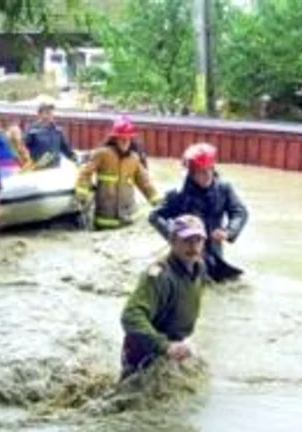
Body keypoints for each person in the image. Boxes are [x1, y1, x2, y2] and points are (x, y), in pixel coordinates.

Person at [120, 214, 211, 379]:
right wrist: (164, 347)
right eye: (187, 240)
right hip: (144, 350)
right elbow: (131, 315)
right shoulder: (159, 275)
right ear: (172, 241)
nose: (194, 246)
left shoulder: (200, 267)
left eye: (198, 240)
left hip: (175, 344)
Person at [149, 142, 249, 282]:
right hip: (185, 256)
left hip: (214, 255)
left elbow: (240, 212)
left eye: (209, 169)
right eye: (200, 171)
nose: (206, 175)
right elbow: (154, 216)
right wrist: (173, 236)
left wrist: (228, 232)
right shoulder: (178, 194)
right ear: (191, 173)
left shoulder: (224, 189)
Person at [74, 116, 161, 229]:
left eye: (128, 139)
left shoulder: (134, 158)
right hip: (105, 217)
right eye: (121, 139)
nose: (125, 142)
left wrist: (158, 203)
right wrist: (82, 194)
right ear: (115, 139)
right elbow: (85, 173)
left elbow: (145, 183)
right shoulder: (102, 154)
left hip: (128, 217)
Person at [24, 101, 76, 169]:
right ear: (39, 114)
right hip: (38, 170)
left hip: (54, 170)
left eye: (51, 112)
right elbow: (24, 149)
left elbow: (66, 150)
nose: (50, 115)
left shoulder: (57, 131)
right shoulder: (32, 130)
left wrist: (76, 160)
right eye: (47, 112)